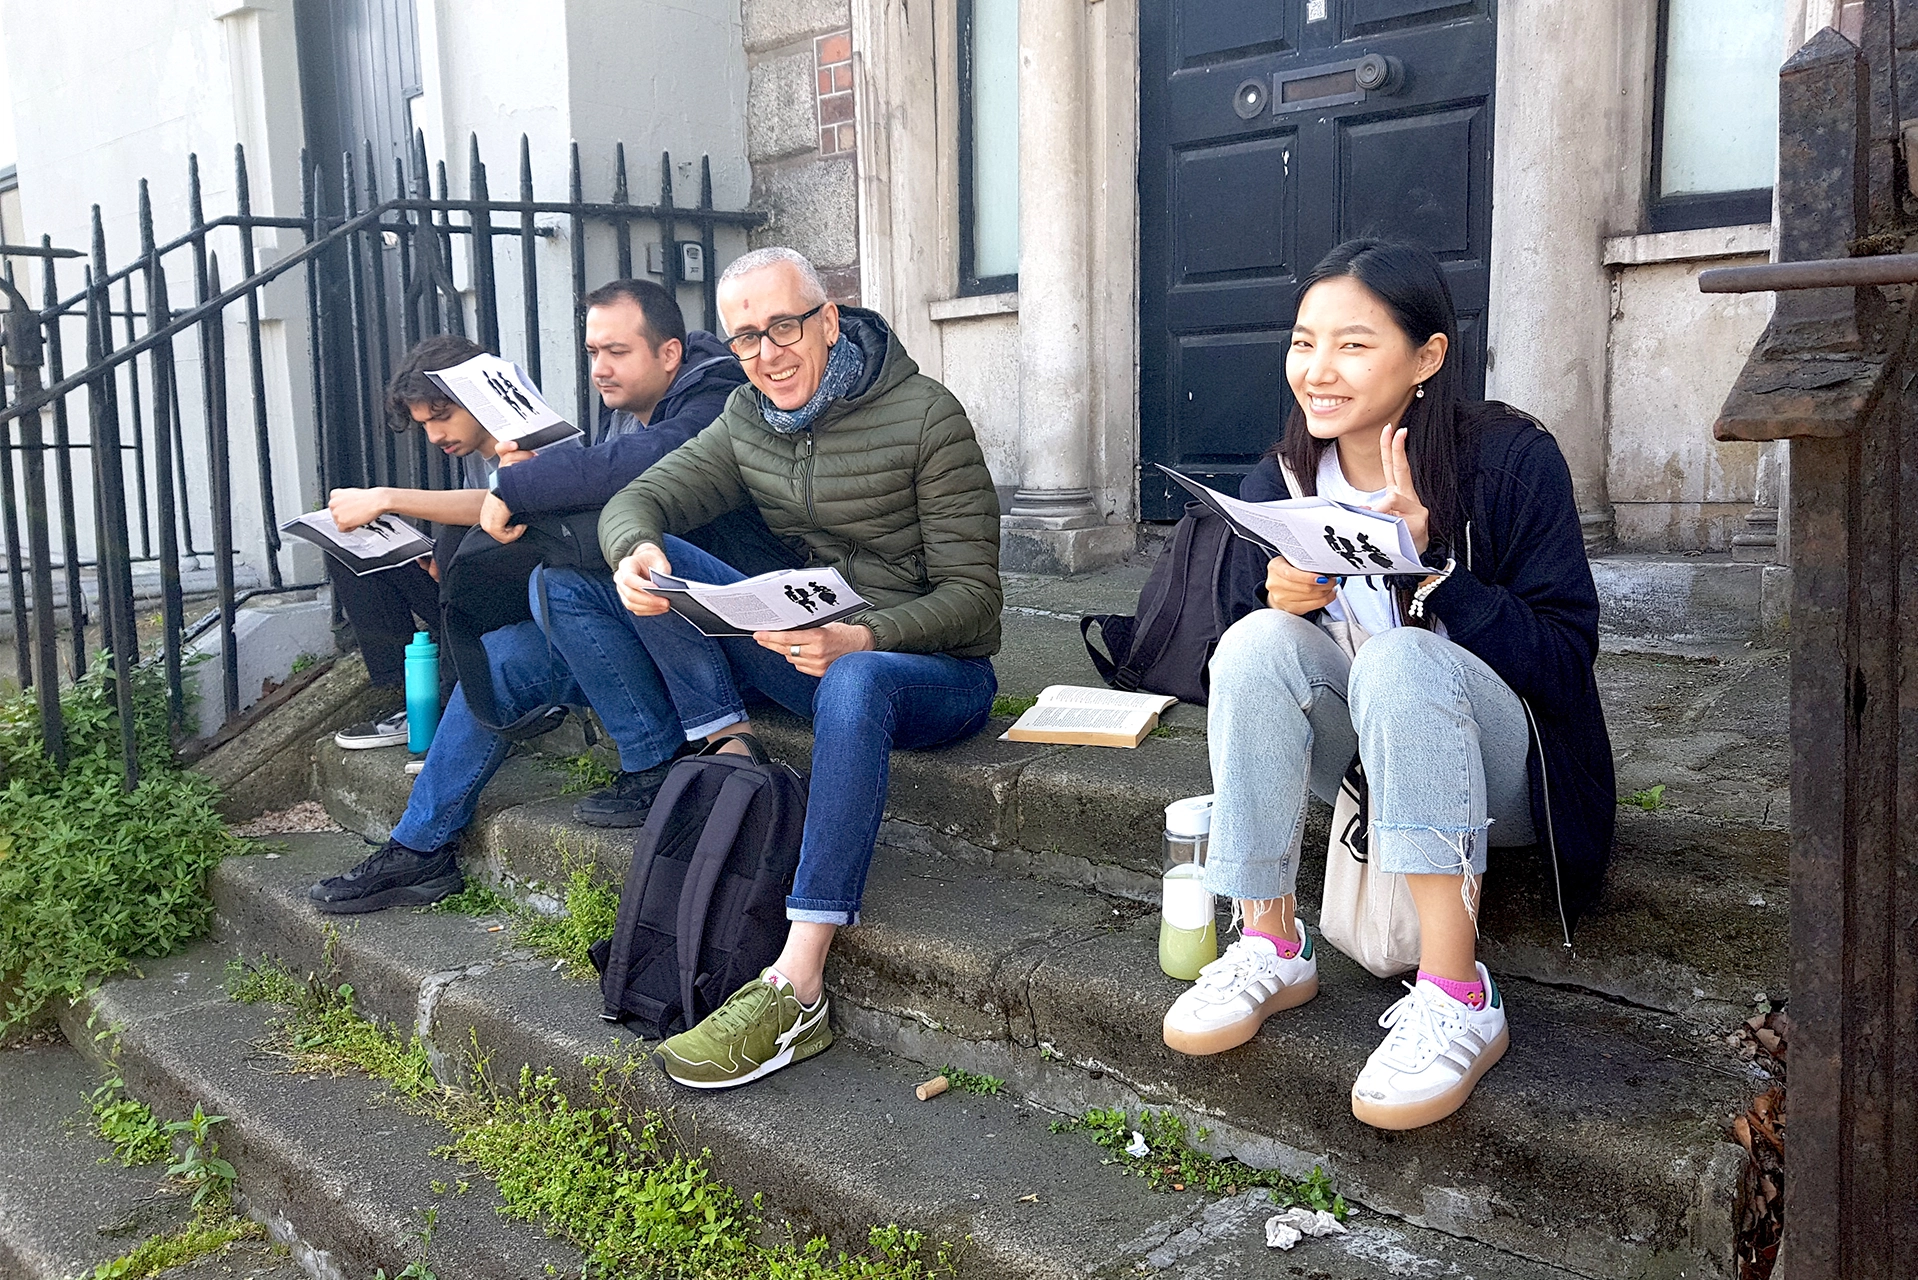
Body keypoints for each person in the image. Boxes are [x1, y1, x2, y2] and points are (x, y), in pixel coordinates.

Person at [1159, 239, 1614, 1131]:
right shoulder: (1282, 480)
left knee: (1401, 658)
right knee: (1255, 644)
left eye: (1353, 345)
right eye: (1303, 342)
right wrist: (1273, 594)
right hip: (1370, 771)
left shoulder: (1510, 462)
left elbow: (1566, 659)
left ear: (1427, 357)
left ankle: (1456, 993)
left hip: (1506, 776)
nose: (1317, 371)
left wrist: (1433, 568)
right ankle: (1270, 939)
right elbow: (1254, 664)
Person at [577, 245, 1001, 1088]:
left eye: (784, 327)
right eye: (745, 338)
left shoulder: (927, 416)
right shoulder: (745, 419)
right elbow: (636, 500)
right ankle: (724, 741)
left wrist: (867, 638)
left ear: (829, 320)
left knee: (854, 680)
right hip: (809, 643)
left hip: (930, 673)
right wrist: (635, 550)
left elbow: (977, 602)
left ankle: (798, 979)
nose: (767, 354)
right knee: (655, 568)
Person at [308, 282, 791, 912]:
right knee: (504, 660)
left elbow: (632, 472)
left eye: (616, 351)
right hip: (645, 627)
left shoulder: (717, 399)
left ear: (669, 352)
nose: (598, 369)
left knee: (558, 584)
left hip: (742, 636)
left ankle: (654, 760)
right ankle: (420, 848)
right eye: (592, 351)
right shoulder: (629, 414)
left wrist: (525, 482)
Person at [325, 333, 498, 749]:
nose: (435, 436)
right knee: (348, 547)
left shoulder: (531, 439)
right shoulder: (472, 452)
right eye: (425, 425)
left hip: (516, 602)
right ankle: (412, 698)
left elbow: (511, 501)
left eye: (443, 417)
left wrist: (386, 498)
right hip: (467, 589)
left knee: (455, 536)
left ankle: (452, 705)